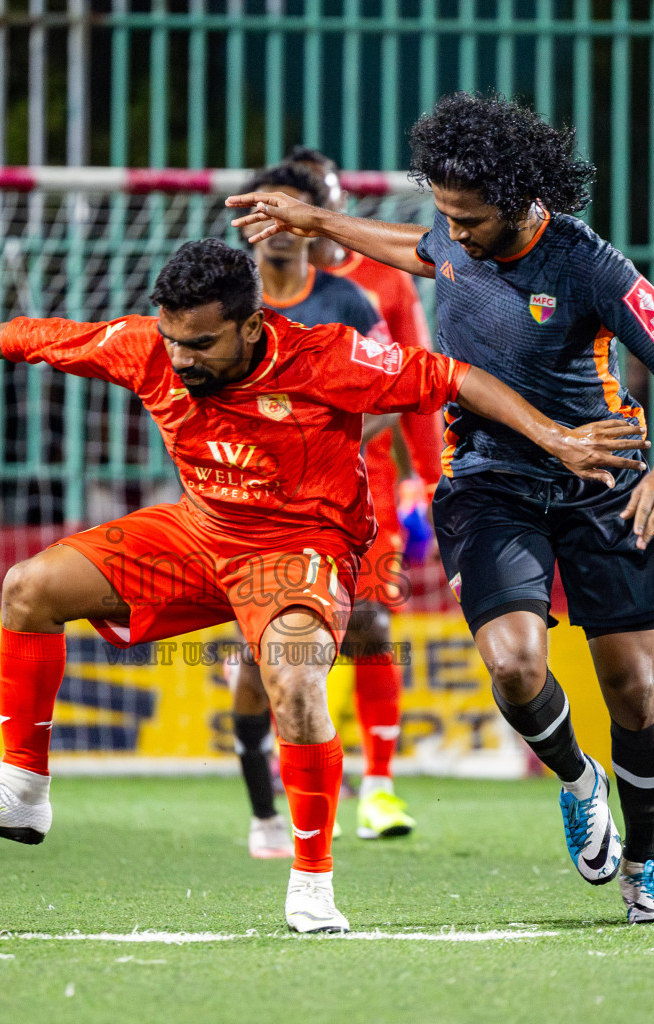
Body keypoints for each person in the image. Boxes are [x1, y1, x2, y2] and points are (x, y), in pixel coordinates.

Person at [0, 237, 646, 933]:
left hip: (299, 551)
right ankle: (23, 791)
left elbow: (455, 379)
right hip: (200, 533)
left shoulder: (328, 356)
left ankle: (311, 885)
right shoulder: (147, 347)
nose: (181, 359)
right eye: (172, 341)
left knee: (296, 686)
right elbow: (38, 337)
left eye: (200, 344)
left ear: (250, 324)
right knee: (28, 587)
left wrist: (556, 435)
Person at [228, 91, 654, 924]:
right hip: (489, 480)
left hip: (603, 479)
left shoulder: (590, 264)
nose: (453, 232)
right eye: (445, 214)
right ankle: (576, 779)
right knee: (517, 666)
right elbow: (409, 244)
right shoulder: (455, 239)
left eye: (469, 218)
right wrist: (316, 219)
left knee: (633, 690)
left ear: (525, 199)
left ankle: (646, 863)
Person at [230, 161, 419, 858]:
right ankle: (264, 808)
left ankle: (373, 784)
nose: (277, 229)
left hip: (342, 500)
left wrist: (325, 441)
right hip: (248, 502)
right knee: (259, 660)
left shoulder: (350, 301)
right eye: (267, 213)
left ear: (311, 226)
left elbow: (393, 392)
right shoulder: (226, 298)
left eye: (292, 215)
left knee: (369, 623)